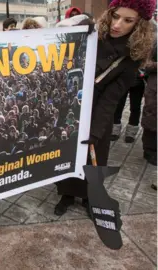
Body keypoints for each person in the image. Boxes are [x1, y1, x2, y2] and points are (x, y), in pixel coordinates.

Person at [54, 0, 156, 216]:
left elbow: (113, 97)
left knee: (94, 157)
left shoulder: (133, 55)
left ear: (139, 25)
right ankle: (67, 194)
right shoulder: (92, 35)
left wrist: (96, 130)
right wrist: (75, 33)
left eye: (128, 20)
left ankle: (90, 198)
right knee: (68, 154)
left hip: (99, 112)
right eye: (116, 16)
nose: (117, 25)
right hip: (73, 106)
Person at [110, 70, 146, 143]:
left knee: (135, 107)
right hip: (124, 79)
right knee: (118, 105)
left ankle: (131, 133)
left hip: (139, 81)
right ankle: (114, 129)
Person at [142, 40, 157, 170]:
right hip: (154, 88)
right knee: (151, 118)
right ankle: (149, 150)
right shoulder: (155, 42)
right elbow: (145, 64)